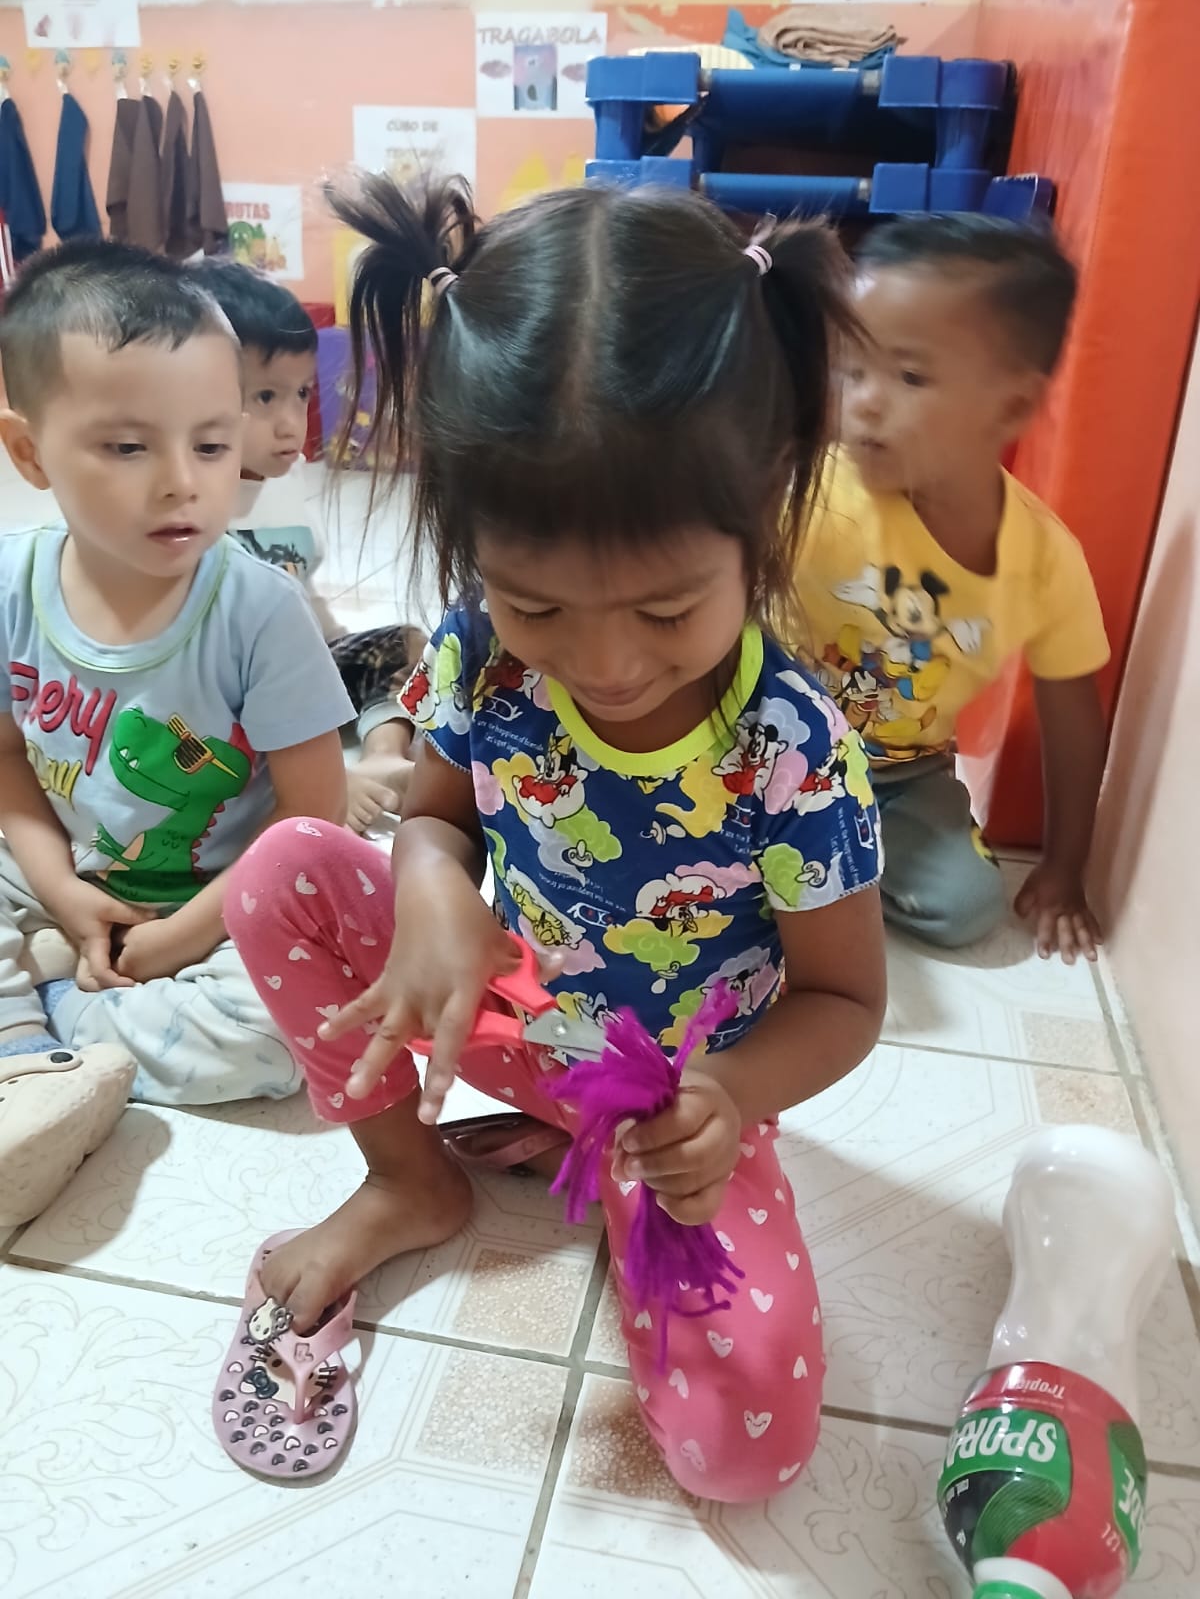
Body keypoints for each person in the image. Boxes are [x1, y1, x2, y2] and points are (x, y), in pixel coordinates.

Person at [224, 174, 887, 1504]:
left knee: (742, 1453)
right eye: (537, 604)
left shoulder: (793, 745)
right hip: (505, 1019)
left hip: (669, 1105)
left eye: (666, 610)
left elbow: (845, 1001)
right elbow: (435, 815)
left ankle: (607, 1177)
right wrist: (431, 886)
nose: (604, 662)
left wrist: (724, 1104)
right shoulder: (479, 649)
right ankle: (410, 1183)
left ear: (765, 507)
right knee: (282, 869)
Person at [0, 237, 353, 1111]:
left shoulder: (260, 612)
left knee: (296, 1033)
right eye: (128, 447)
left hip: (222, 901)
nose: (181, 483)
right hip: (51, 870)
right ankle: (32, 1040)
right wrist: (61, 892)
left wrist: (177, 940)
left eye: (212, 444)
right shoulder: (12, 584)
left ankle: (53, 1018)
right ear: (30, 453)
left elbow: (313, 822)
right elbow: (7, 762)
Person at [798, 214, 1109, 961]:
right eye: (852, 369)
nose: (864, 402)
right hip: (767, 743)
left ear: (1012, 407)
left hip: (901, 774)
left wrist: (1066, 868)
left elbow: (1073, 720)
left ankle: (811, 867)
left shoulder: (1044, 560)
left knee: (968, 908)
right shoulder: (805, 492)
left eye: (909, 376)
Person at [189, 257, 428, 834]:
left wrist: (336, 652)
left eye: (299, 393)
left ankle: (382, 753)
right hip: (230, 686)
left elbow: (305, 589)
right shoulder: (191, 503)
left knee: (404, 643)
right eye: (263, 397)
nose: (290, 422)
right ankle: (325, 776)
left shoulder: (286, 483)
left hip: (301, 664)